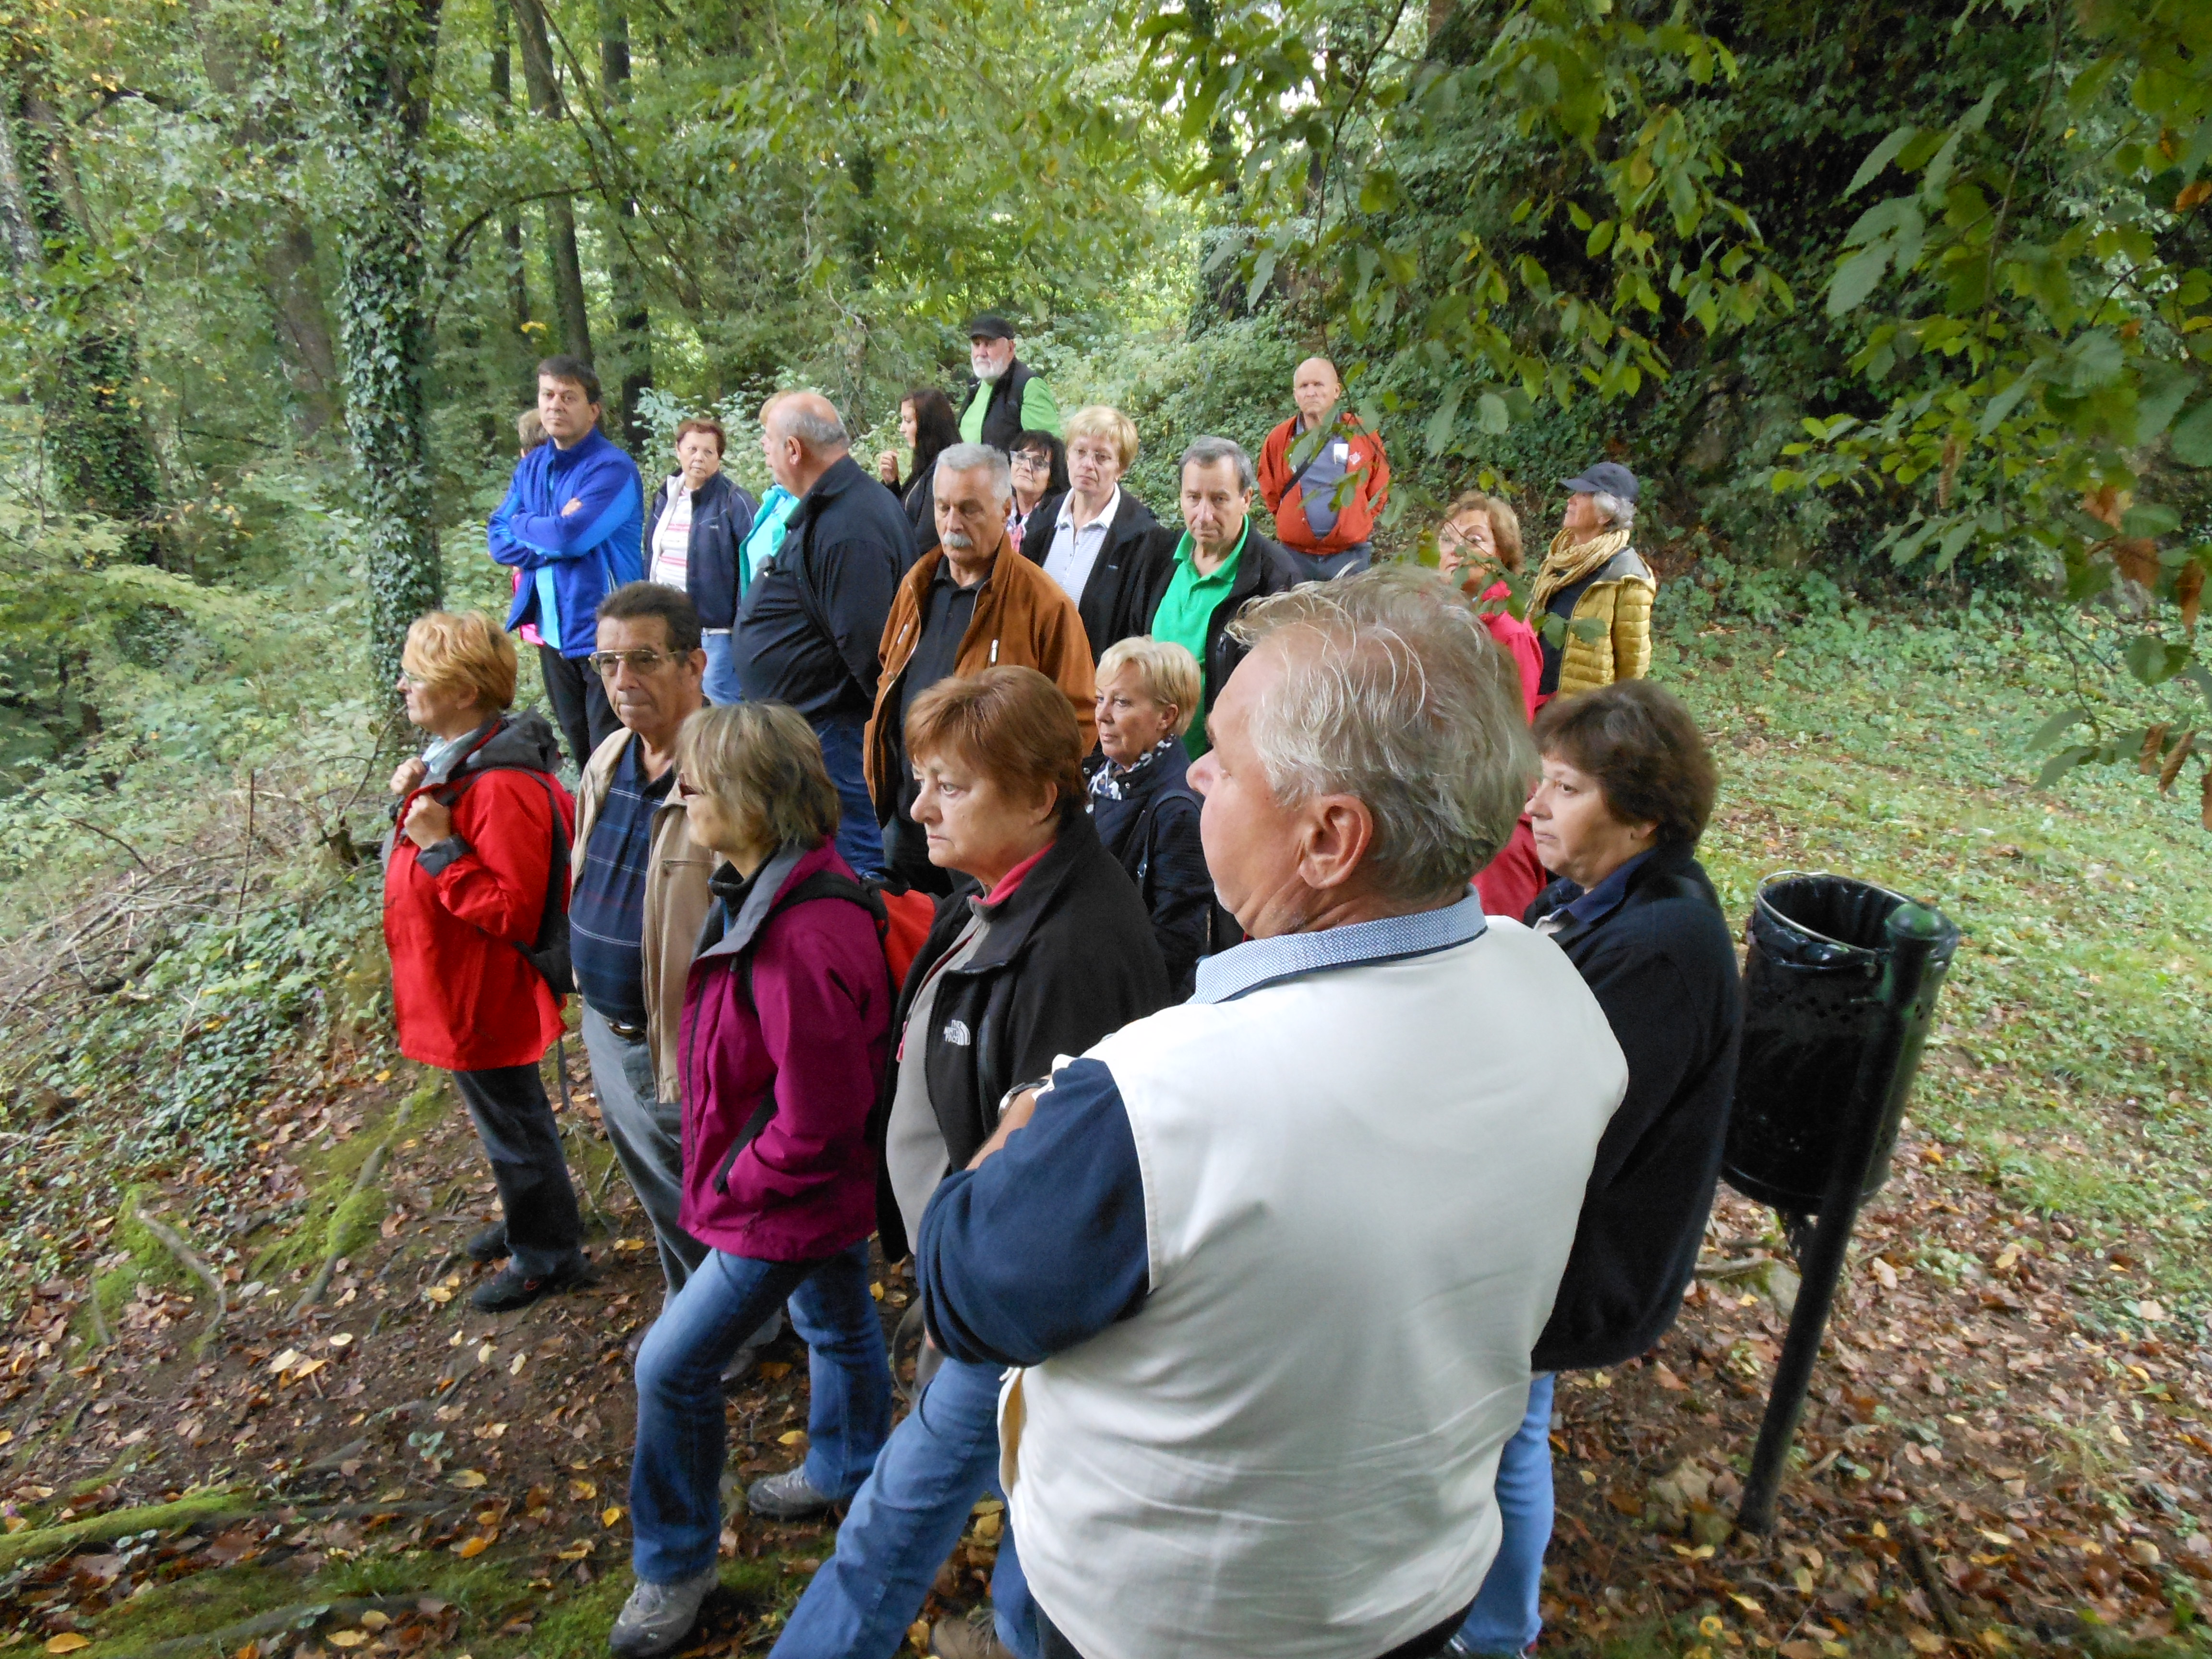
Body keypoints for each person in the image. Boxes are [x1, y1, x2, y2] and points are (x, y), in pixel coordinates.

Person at [914, 568, 1627, 1659]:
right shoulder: (1557, 992)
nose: (1196, 769)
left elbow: (966, 1290)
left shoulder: (1163, 1097)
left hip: (1156, 1618)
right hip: (1416, 1581)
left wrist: (1025, 1121)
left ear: (1329, 839)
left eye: (1229, 757)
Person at [772, 667, 1171, 1659]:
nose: (917, 807)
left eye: (950, 784)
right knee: (1029, 1492)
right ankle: (1021, 1628)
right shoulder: (994, 894)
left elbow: (1053, 1180)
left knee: (892, 1525)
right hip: (976, 1279)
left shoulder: (1076, 945)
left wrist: (960, 1301)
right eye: (922, 780)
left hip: (1003, 1301)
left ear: (1039, 794)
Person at [1452, 680, 1741, 1659]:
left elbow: (1582, 1133)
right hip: (1549, 1242)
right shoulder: (1598, 897)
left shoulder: (1661, 946)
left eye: (1566, 789)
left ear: (1644, 814)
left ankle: (1497, 1634)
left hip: (1579, 1260)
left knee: (1504, 1434)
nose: (1534, 807)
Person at [610, 702, 896, 1659]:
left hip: (784, 1201)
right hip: (798, 1195)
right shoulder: (763, 892)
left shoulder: (803, 933)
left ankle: (675, 1567)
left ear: (753, 799)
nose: (682, 797)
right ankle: (852, 1466)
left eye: (697, 783)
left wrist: (736, 1180)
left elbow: (816, 1121)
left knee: (672, 1366)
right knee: (837, 1318)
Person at [382, 612, 591, 1313]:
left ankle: (548, 1253)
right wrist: (418, 790)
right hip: (456, 979)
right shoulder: (465, 757)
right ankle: (531, 1214)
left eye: (421, 676)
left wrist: (441, 846)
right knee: (506, 1118)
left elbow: (514, 908)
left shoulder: (501, 785)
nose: (405, 685)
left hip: (486, 987)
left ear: (465, 690)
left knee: (514, 1121)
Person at [568, 584, 719, 1305]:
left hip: (686, 1042)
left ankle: (733, 1329)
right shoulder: (608, 759)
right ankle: (695, 1312)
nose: (622, 682)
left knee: (710, 1193)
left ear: (696, 663)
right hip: (611, 1032)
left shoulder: (731, 775)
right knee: (664, 1194)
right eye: (608, 664)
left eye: (643, 661)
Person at [865, 445, 1096, 894]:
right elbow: (885, 679)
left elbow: (1078, 724)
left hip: (990, 838)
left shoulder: (1044, 606)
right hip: (909, 817)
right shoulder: (917, 587)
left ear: (1006, 509)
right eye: (944, 507)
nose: (953, 523)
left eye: (969, 509)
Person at [736, 391, 913, 877]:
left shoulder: (849, 525)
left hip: (836, 738)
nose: (765, 452)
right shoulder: (834, 507)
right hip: (816, 733)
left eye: (768, 442)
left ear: (794, 449)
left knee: (851, 872)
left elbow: (869, 650)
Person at [490, 355, 646, 771]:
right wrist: (550, 526)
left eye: (569, 396)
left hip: (609, 636)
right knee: (581, 753)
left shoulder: (612, 469)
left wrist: (533, 526)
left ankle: (627, 835)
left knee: (614, 757)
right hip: (554, 637)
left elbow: (573, 537)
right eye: (548, 394)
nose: (555, 405)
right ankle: (595, 834)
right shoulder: (534, 466)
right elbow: (498, 539)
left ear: (593, 410)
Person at [1123, 436, 1301, 758]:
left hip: (1220, 766)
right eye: (1193, 498)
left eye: (1219, 500)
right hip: (1147, 760)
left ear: (1246, 499)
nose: (1203, 516)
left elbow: (1281, 692)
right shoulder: (1159, 558)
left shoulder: (1274, 578)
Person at [1438, 492, 1548, 920]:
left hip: (1486, 810)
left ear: (1502, 555)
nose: (1457, 550)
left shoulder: (1508, 632)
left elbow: (1510, 746)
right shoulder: (1443, 615)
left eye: (1475, 539)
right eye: (1448, 540)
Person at [1086, 636, 1214, 999]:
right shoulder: (1096, 779)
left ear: (1166, 717)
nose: (1102, 714)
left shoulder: (1177, 808)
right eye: (1100, 698)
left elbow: (1176, 942)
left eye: (1122, 702)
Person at [1019, 405, 1157, 661]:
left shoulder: (1141, 536)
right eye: (1080, 452)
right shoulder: (1044, 518)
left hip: (1095, 684)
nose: (1087, 465)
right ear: (1068, 456)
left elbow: (1136, 633)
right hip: (1033, 675)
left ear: (1121, 468)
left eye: (1102, 457)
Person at [645, 418, 759, 707]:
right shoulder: (666, 496)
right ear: (678, 450)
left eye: (708, 452)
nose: (699, 458)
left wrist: (743, 623)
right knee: (673, 699)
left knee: (718, 702)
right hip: (667, 624)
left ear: (719, 458)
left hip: (715, 630)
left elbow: (755, 565)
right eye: (692, 449)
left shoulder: (734, 502)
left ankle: (726, 754)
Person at [1256, 355, 1392, 581]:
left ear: (1337, 391)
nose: (1311, 392)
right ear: (1295, 394)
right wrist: (1289, 519)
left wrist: (1358, 519)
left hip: (1350, 556)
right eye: (1304, 386)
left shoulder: (1362, 433)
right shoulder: (1280, 439)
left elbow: (1379, 486)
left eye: (1319, 385)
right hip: (1295, 556)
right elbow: (1270, 490)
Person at [1531, 461, 1654, 699]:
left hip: (1580, 713)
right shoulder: (1560, 557)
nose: (1571, 500)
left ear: (1604, 514)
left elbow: (1632, 667)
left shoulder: (1627, 576)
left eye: (1583, 495)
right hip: (1533, 696)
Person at [956, 313, 1062, 450]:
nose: (981, 353)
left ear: (1011, 348)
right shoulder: (976, 387)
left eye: (989, 344)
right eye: (977, 345)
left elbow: (1050, 451)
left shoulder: (1028, 386)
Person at [878, 387, 962, 557]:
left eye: (908, 421)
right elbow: (904, 515)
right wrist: (892, 483)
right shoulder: (926, 465)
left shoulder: (946, 471)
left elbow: (925, 538)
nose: (902, 429)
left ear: (928, 424)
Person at [1004, 431, 1066, 555]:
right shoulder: (998, 509)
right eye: (1020, 457)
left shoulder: (1056, 523)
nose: (1026, 467)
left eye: (1039, 463)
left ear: (1052, 478)